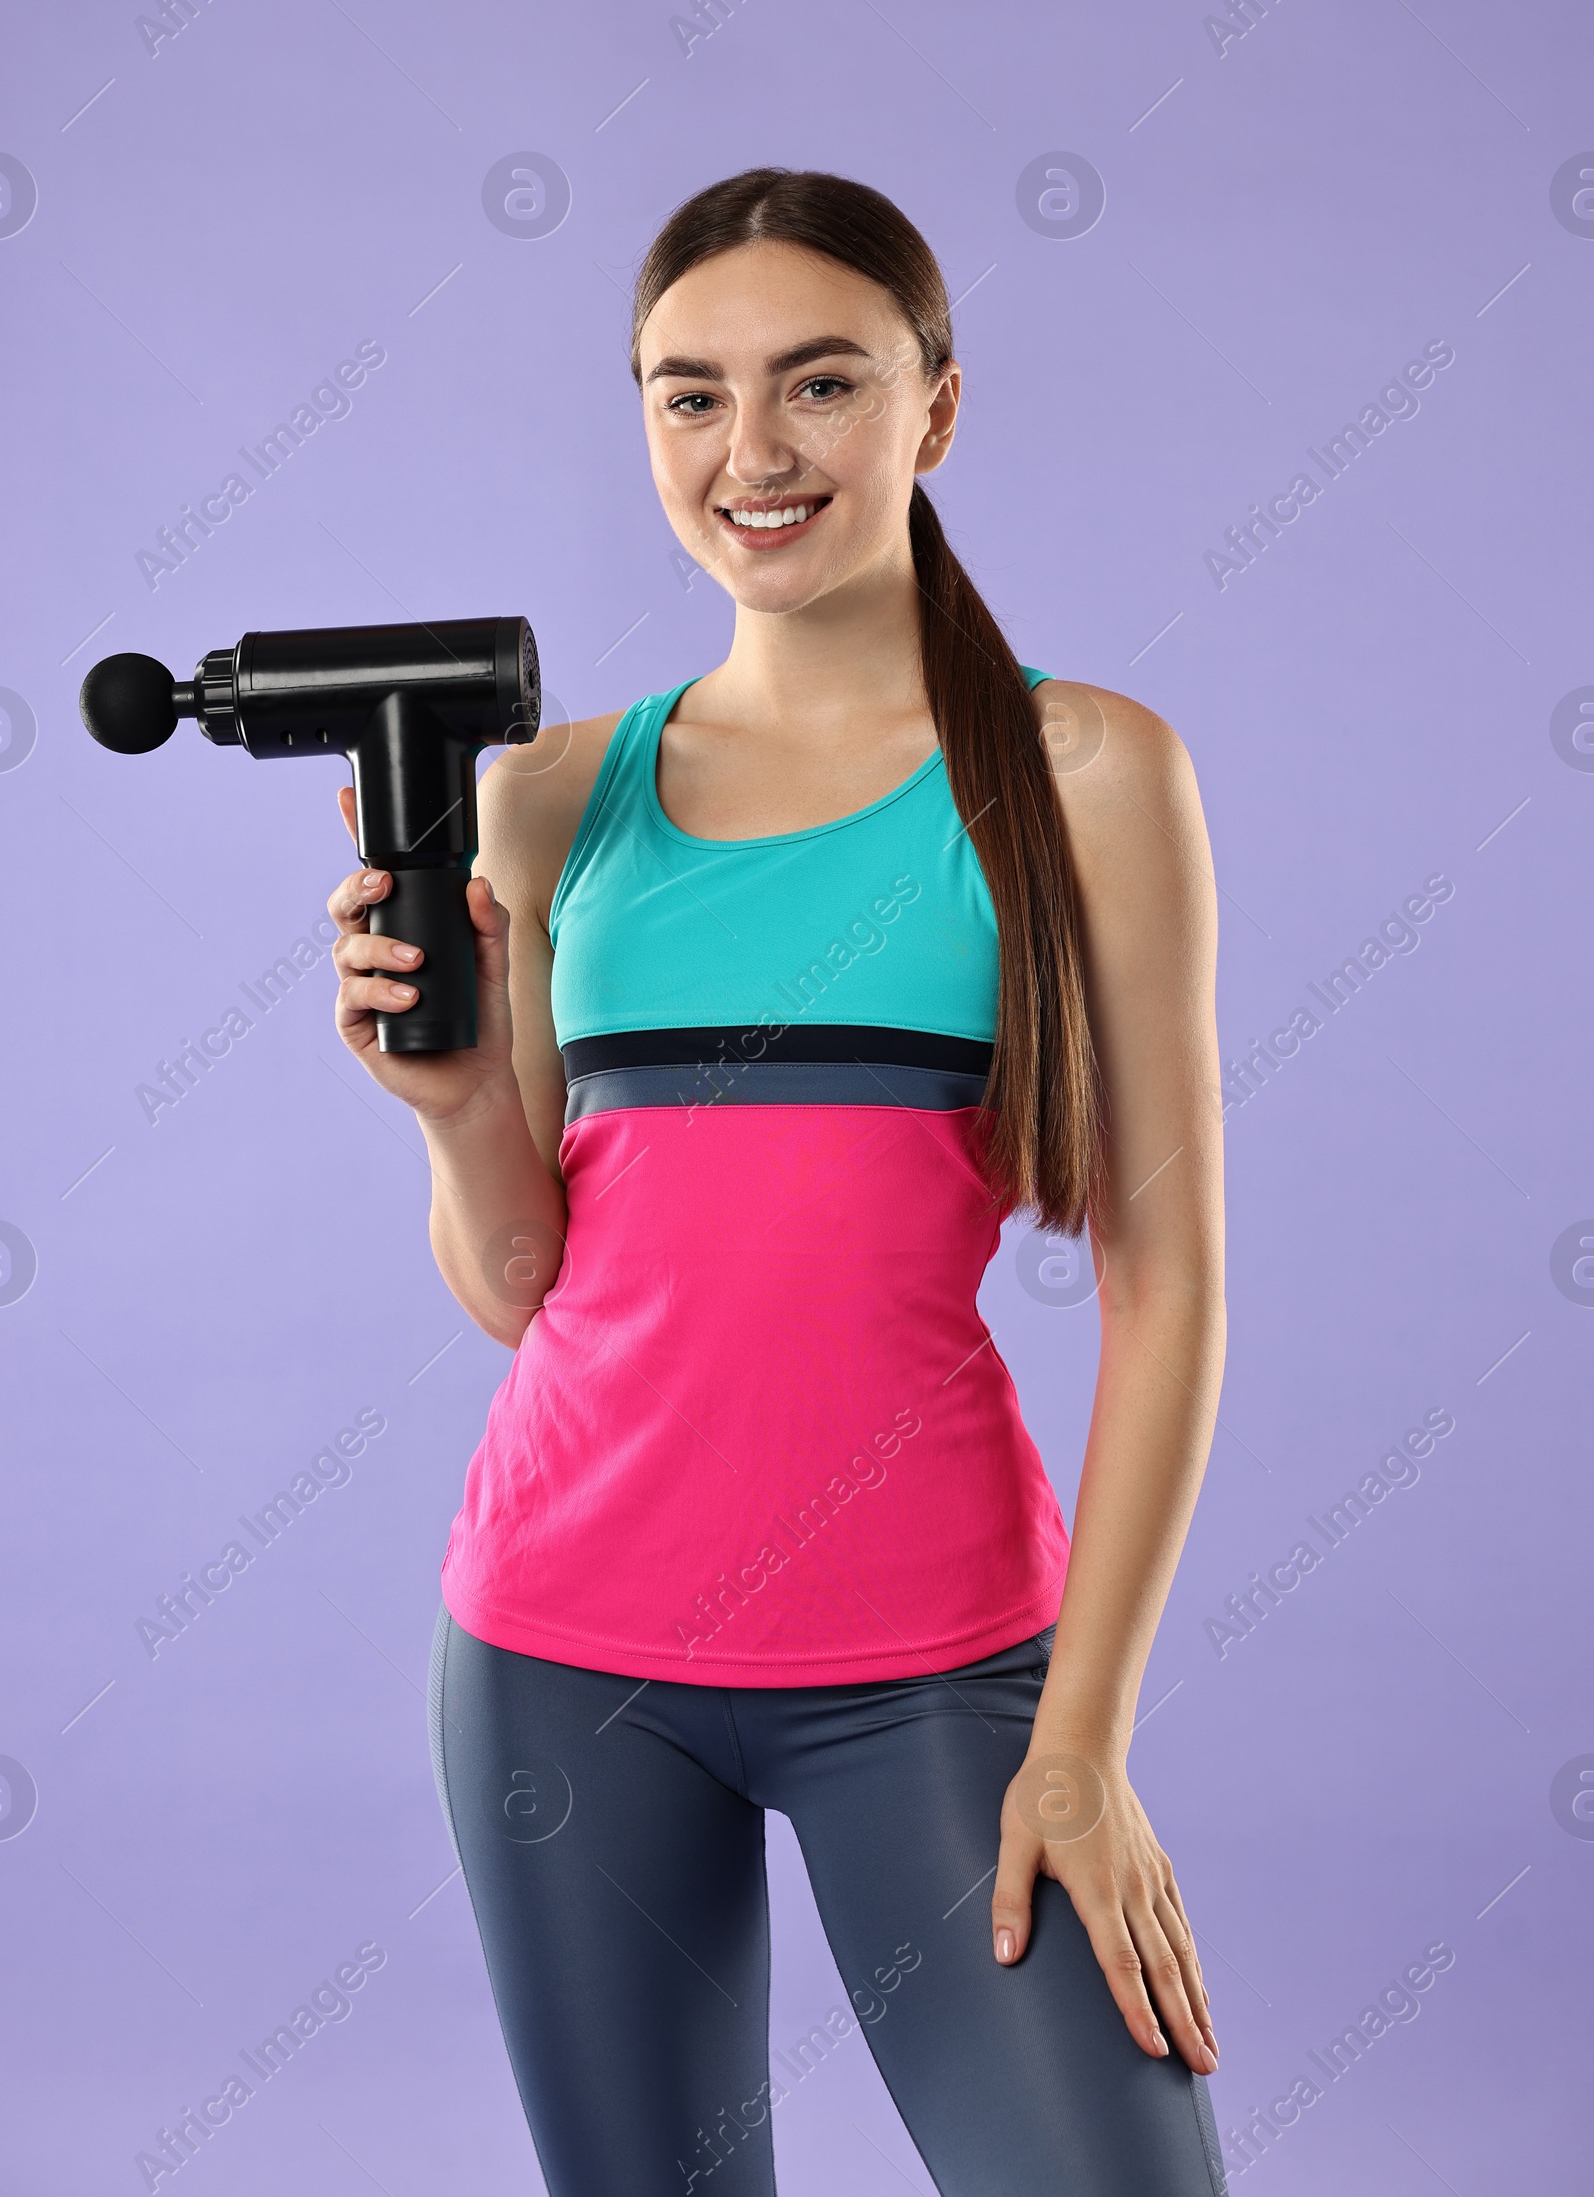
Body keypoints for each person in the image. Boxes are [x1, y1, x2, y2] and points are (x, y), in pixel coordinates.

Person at [325, 167, 1229, 2196]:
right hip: (560, 1660)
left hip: (933, 1663)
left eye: (817, 384)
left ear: (934, 407)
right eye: (684, 395)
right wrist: (456, 1107)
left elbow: (1169, 1286)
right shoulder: (549, 792)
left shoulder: (1086, 774)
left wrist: (1075, 1741)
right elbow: (523, 1283)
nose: (749, 452)